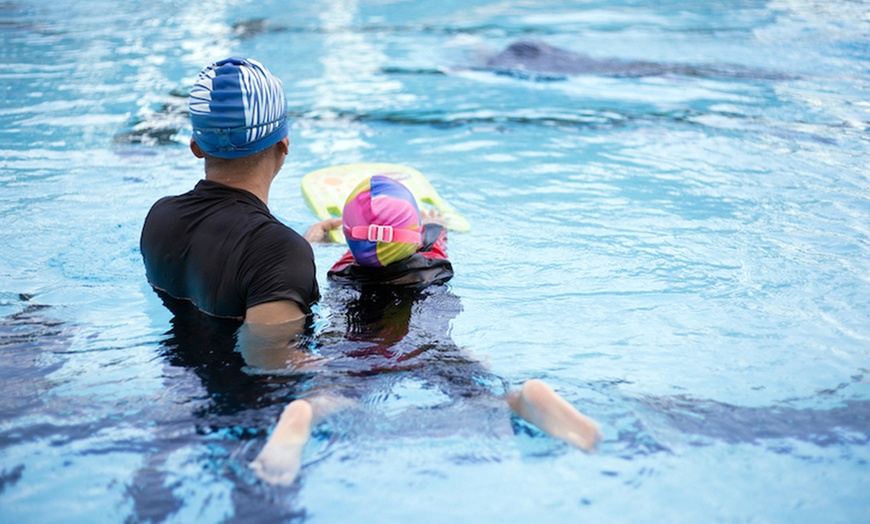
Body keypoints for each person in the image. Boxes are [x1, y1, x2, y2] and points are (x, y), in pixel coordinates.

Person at [250, 175, 602, 485]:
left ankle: (305, 414)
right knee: (473, 386)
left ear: (350, 241)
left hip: (357, 343)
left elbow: (312, 256)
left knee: (336, 389)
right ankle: (520, 400)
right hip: (428, 342)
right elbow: (432, 232)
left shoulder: (345, 266)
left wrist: (314, 238)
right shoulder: (430, 251)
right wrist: (435, 224)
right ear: (415, 235)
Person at [140, 57, 340, 325]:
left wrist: (303, 248)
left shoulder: (159, 218)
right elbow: (274, 363)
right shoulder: (280, 252)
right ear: (284, 145)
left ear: (196, 147)